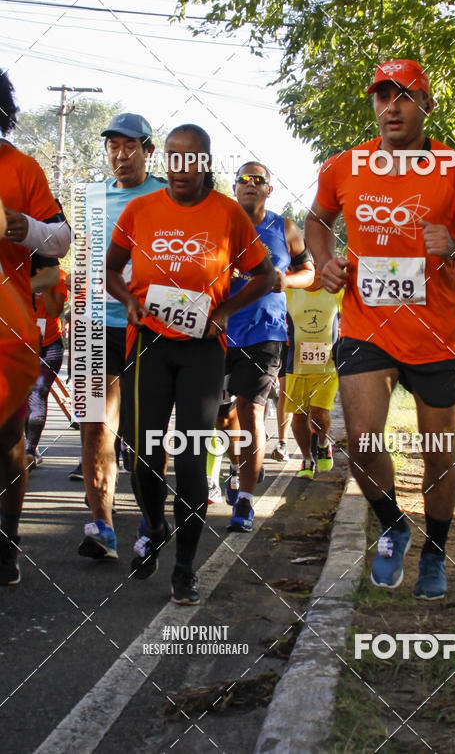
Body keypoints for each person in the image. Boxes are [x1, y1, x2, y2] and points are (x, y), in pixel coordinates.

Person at [305, 59, 455, 600]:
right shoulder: (346, 165)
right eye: (382, 96)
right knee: (361, 442)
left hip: (436, 335)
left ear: (425, 105)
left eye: (404, 96)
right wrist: (325, 260)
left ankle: (435, 550)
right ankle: (392, 525)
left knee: (438, 450)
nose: (391, 106)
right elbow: (319, 220)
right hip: (367, 325)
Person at [106, 124, 274, 604]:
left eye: (191, 157)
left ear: (205, 163)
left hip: (203, 349)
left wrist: (221, 313)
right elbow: (112, 272)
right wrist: (131, 305)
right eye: (173, 157)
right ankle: (155, 526)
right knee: (141, 456)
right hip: (150, 343)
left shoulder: (226, 214)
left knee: (191, 458)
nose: (181, 167)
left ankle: (184, 568)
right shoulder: (141, 209)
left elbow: (264, 276)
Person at [77, 113, 165, 559]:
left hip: (148, 328)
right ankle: (102, 526)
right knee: (95, 426)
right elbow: (82, 258)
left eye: (130, 146)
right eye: (113, 146)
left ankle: (151, 524)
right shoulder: (92, 195)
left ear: (148, 151)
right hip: (95, 325)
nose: (120, 154)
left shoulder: (169, 193)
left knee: (143, 431)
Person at [216, 163, 314, 533]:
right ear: (234, 186)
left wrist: (286, 279)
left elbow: (311, 272)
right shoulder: (218, 222)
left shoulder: (284, 228)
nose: (251, 185)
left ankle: (244, 500)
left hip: (265, 332)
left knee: (251, 410)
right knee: (221, 417)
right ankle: (235, 465)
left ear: (269, 190)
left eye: (259, 181)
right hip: (219, 329)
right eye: (244, 179)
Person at [0, 70, 66, 584]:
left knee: (7, 443)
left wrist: (29, 229)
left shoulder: (21, 168)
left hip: (8, 335)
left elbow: (61, 238)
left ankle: (7, 541)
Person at [283, 269, 343, 477]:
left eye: (321, 267)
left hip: (327, 367)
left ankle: (324, 443)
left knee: (319, 413)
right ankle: (307, 459)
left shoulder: (336, 293)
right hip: (296, 367)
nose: (316, 273)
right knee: (299, 418)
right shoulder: (289, 292)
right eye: (311, 266)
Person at [25, 264, 68, 468]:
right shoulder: (12, 269)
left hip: (48, 345)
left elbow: (54, 311)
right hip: (16, 343)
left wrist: (44, 287)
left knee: (37, 394)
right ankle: (17, 447)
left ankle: (29, 449)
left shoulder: (57, 275)